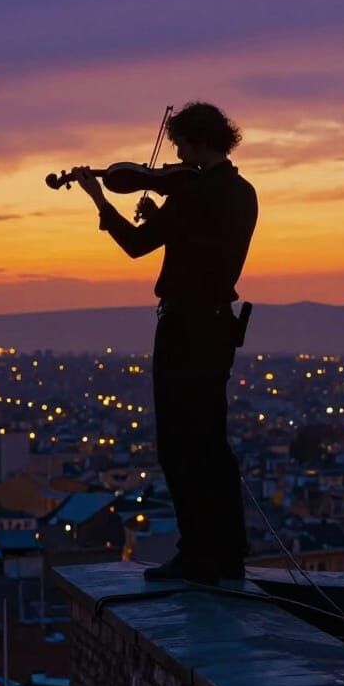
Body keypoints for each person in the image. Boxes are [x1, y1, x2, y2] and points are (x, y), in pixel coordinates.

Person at [73, 102, 258, 582]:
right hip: (219, 327)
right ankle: (228, 551)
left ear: (196, 142)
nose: (173, 154)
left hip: (185, 327)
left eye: (179, 144)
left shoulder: (193, 194)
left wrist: (98, 199)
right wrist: (163, 212)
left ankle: (196, 553)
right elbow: (203, 244)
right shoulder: (242, 193)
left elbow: (136, 246)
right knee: (211, 443)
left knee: (178, 445)